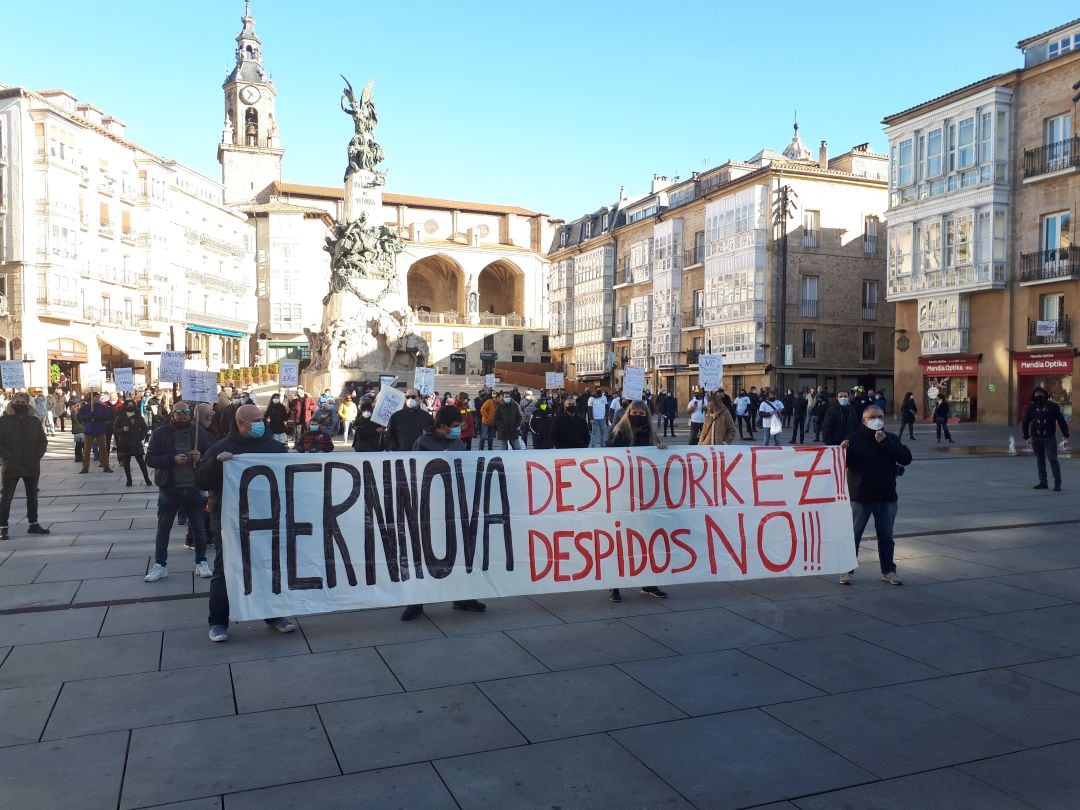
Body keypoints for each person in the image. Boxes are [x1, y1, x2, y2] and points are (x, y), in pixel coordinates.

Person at [197, 404, 296, 642]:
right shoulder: (221, 448)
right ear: (241, 423)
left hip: (266, 518)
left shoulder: (275, 448)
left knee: (268, 567)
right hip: (230, 521)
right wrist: (216, 463)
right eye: (256, 420)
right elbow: (201, 480)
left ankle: (273, 615)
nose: (261, 423)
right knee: (224, 570)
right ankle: (218, 622)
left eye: (262, 418)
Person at [400, 406, 487, 620]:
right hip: (428, 505)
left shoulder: (457, 443)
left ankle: (462, 597)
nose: (459, 431)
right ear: (442, 426)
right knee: (423, 553)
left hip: (453, 504)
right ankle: (416, 602)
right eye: (455, 427)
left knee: (458, 552)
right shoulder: (423, 443)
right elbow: (413, 471)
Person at [839, 404, 912, 585]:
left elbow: (906, 458)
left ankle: (888, 570)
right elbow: (843, 464)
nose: (876, 420)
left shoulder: (891, 438)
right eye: (872, 417)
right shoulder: (854, 439)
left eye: (879, 416)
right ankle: (846, 570)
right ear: (864, 420)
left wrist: (885, 442)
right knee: (853, 535)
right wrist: (843, 451)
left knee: (886, 536)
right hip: (860, 496)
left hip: (886, 496)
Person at [144, 401, 214, 582]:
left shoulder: (199, 432)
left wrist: (202, 457)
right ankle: (160, 564)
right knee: (163, 529)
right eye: (178, 413)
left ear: (190, 414)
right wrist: (172, 459)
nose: (182, 416)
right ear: (172, 414)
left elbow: (211, 455)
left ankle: (201, 562)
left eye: (185, 413)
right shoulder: (161, 434)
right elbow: (150, 459)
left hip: (194, 487)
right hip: (170, 488)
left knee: (199, 528)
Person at [606, 401, 668, 602]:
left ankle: (648, 584)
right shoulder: (619, 432)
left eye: (642, 412)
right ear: (628, 413)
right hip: (622, 493)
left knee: (646, 541)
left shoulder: (650, 434)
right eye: (635, 412)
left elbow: (659, 460)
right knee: (620, 542)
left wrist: (661, 449)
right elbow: (608, 458)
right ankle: (614, 585)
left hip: (645, 494)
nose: (638, 415)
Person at [0, 392, 50, 540]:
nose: (20, 404)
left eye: (23, 402)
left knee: (32, 496)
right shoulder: (3, 421)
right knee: (6, 497)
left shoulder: (34, 421)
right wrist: (7, 456)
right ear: (12, 402)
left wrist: (37, 455)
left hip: (31, 465)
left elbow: (43, 440)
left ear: (27, 404)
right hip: (11, 465)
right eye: (17, 401)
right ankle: (3, 527)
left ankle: (33, 523)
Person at [1022, 386, 1070, 491]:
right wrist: (1027, 436)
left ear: (1045, 394)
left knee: (1053, 460)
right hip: (1036, 438)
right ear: (1033, 395)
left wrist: (1066, 435)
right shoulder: (1031, 407)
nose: (1038, 395)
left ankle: (1058, 483)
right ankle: (1043, 482)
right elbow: (1025, 422)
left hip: (1049, 438)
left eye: (1040, 393)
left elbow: (1061, 421)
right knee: (1040, 460)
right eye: (1036, 393)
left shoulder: (1053, 406)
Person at [113, 398, 152, 487]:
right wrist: (122, 430)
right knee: (126, 463)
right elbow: (115, 429)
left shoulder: (138, 416)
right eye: (128, 405)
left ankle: (147, 479)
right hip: (125, 442)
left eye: (131, 405)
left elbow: (145, 428)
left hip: (136, 442)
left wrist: (141, 436)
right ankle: (129, 480)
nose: (130, 407)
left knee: (141, 462)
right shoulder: (120, 417)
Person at [78, 393, 114, 473]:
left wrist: (99, 416)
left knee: (103, 449)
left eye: (98, 397)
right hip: (89, 430)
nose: (98, 399)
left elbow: (107, 416)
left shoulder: (102, 407)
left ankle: (106, 466)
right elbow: (79, 417)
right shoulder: (85, 407)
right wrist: (88, 417)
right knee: (87, 450)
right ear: (92, 398)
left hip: (100, 430)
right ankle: (85, 467)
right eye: (96, 397)